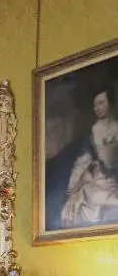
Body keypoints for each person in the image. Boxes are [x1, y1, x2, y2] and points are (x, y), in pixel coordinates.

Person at [61, 88, 118, 227]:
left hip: (115, 180)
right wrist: (73, 190)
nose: (97, 108)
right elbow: (83, 162)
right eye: (95, 105)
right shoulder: (92, 132)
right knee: (89, 196)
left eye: (100, 103)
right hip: (98, 180)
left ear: (109, 103)